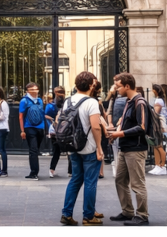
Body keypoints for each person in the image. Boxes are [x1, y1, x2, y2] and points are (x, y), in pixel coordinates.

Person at [60, 71, 104, 226]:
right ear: (91, 85)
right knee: (90, 181)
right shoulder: (91, 102)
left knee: (75, 180)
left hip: (73, 146)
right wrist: (99, 147)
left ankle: (66, 213)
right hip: (89, 146)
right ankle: (88, 216)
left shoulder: (68, 101)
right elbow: (95, 127)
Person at [108, 72, 149, 225]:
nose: (116, 89)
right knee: (120, 180)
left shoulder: (140, 102)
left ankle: (142, 215)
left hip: (135, 149)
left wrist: (120, 133)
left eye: (118, 86)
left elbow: (142, 127)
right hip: (125, 148)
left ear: (127, 86)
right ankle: (127, 212)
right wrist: (114, 132)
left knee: (137, 183)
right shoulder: (128, 101)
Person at [19, 82, 46, 179]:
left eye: (36, 89)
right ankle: (34, 172)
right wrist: (22, 130)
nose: (35, 91)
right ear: (28, 91)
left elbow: (42, 114)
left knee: (36, 150)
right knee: (33, 150)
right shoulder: (24, 101)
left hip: (40, 128)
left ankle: (34, 171)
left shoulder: (40, 100)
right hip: (29, 127)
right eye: (32, 89)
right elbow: (21, 116)